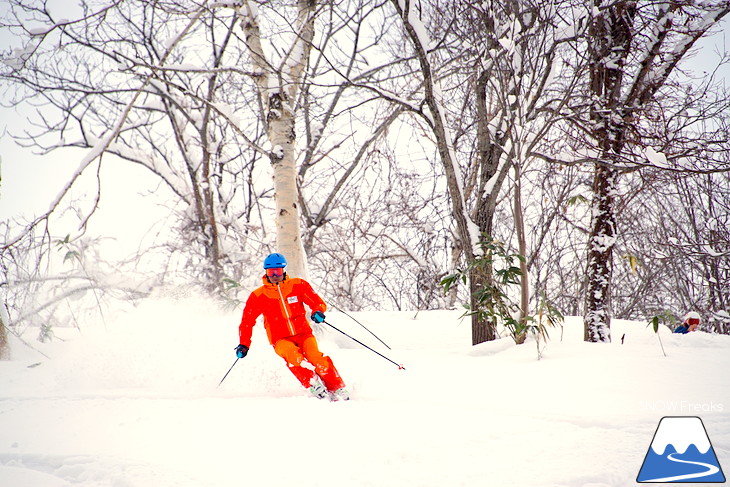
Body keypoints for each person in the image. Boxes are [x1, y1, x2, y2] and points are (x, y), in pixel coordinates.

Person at [234, 253, 349, 401]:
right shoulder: (259, 296)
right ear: (266, 272)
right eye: (271, 272)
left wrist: (317, 311)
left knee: (316, 358)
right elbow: (247, 321)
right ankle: (313, 384)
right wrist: (244, 343)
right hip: (280, 339)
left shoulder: (298, 285)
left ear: (284, 271)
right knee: (293, 356)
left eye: (278, 271)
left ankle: (337, 388)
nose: (275, 275)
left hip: (304, 334)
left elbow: (316, 302)